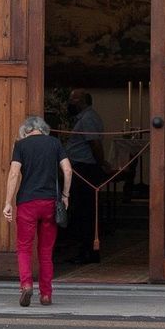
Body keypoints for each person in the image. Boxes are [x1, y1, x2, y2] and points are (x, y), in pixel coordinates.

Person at [3, 115, 73, 307]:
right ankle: (46, 294)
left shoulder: (21, 145)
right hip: (50, 202)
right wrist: (65, 196)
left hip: (27, 203)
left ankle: (26, 284)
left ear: (25, 131)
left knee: (24, 248)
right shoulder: (54, 143)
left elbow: (14, 173)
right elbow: (67, 170)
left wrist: (8, 202)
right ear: (44, 129)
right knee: (45, 251)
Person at [62, 89, 106, 264]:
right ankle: (84, 250)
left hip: (85, 169)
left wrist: (100, 164)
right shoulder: (83, 118)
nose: (70, 103)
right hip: (80, 167)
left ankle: (88, 252)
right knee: (81, 210)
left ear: (81, 101)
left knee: (85, 211)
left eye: (72, 99)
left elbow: (94, 144)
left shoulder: (87, 119)